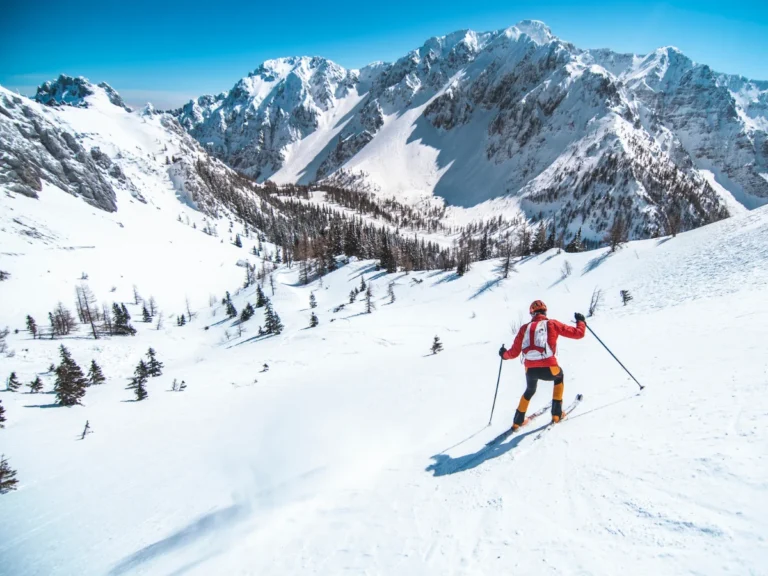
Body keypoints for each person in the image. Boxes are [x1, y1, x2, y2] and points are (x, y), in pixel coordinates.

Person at [499, 300, 586, 430]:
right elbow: (578, 334)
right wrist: (581, 322)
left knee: (530, 390)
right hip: (550, 368)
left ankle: (517, 422)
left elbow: (514, 352)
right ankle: (556, 415)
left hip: (530, 370)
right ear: (545, 312)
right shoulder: (551, 324)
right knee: (559, 377)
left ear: (531, 313)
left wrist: (504, 355)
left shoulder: (524, 328)